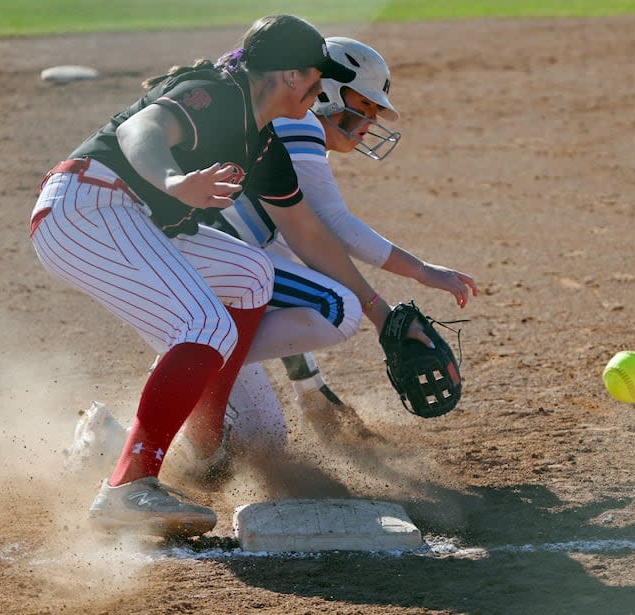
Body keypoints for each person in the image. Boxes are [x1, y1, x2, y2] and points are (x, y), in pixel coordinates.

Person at [30, 15, 423, 537]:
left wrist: (382, 315)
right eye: (314, 76)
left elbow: (310, 236)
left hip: (137, 218)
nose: (318, 89)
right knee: (205, 325)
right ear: (288, 75)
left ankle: (204, 438)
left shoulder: (262, 144)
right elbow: (138, 128)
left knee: (251, 274)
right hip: (86, 207)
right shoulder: (216, 94)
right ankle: (128, 487)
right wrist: (173, 179)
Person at [187, 37, 479, 468]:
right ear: (325, 91)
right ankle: (188, 385)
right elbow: (337, 228)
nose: (370, 120)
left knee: (262, 437)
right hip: (198, 267)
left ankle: (173, 405)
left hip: (202, 277)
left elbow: (282, 280)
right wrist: (420, 272)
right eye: (365, 103)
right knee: (337, 306)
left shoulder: (284, 130)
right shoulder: (297, 125)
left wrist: (310, 385)